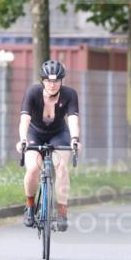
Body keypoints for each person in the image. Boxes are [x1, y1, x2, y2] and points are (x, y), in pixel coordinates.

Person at [16, 59, 81, 232]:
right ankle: (30, 206)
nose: (52, 85)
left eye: (56, 81)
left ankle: (62, 212)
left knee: (62, 168)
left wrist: (75, 139)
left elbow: (73, 120)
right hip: (34, 133)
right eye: (48, 81)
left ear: (61, 81)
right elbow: (24, 120)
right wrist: (22, 139)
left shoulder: (70, 94)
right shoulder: (33, 92)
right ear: (42, 81)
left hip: (59, 134)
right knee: (32, 169)